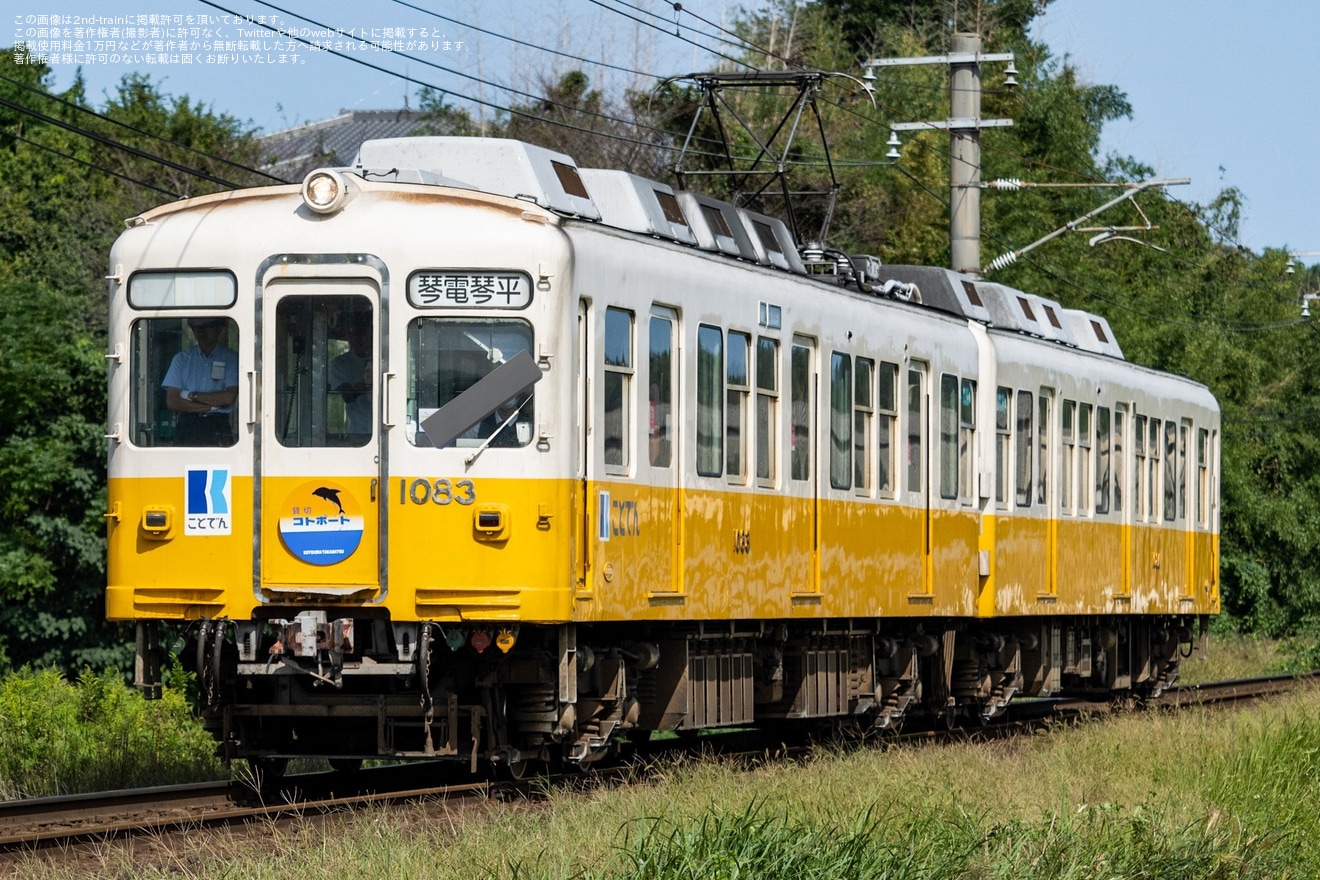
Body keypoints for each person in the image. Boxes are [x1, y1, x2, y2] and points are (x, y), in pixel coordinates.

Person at [163, 317, 239, 446]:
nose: (201, 332)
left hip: (218, 425)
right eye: (196, 327)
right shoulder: (181, 359)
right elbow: (173, 401)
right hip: (187, 426)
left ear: (219, 329)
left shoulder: (232, 359)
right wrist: (210, 407)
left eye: (207, 326)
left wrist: (190, 395)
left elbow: (228, 398)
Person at [331, 316, 373, 441]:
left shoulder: (384, 360)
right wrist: (357, 390)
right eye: (352, 335)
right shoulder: (341, 362)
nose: (357, 339)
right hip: (358, 430)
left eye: (361, 334)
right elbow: (346, 396)